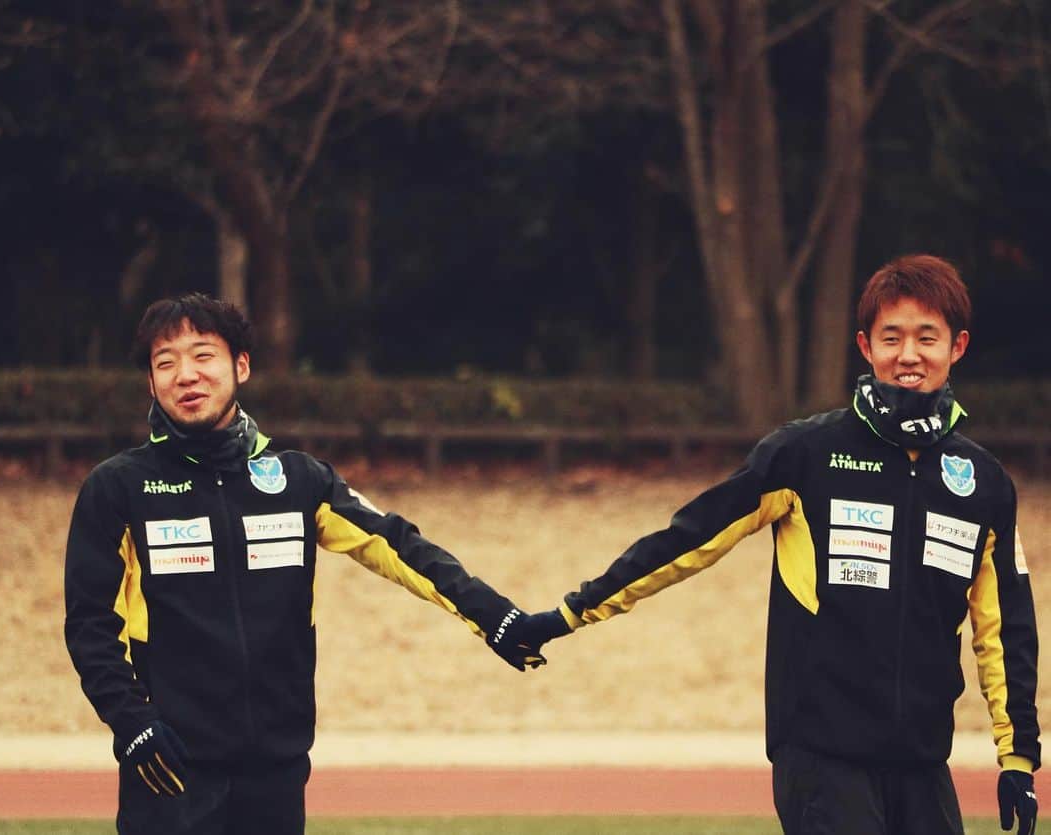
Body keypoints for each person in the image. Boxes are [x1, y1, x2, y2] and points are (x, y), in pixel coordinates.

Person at [520, 254, 1040, 834]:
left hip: (922, 762)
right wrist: (570, 613)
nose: (909, 355)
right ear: (866, 347)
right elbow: (687, 540)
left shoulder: (983, 483)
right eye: (891, 338)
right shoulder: (805, 454)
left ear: (957, 346)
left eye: (927, 337)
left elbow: (1005, 628)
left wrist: (1017, 758)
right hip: (821, 755)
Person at [64, 293, 544, 835]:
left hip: (276, 771)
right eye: (165, 362)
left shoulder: (299, 480)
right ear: (151, 383)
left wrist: (494, 615)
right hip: (170, 772)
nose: (186, 375)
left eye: (203, 355)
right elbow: (90, 626)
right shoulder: (117, 488)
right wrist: (133, 724)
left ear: (241, 365)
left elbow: (397, 544)